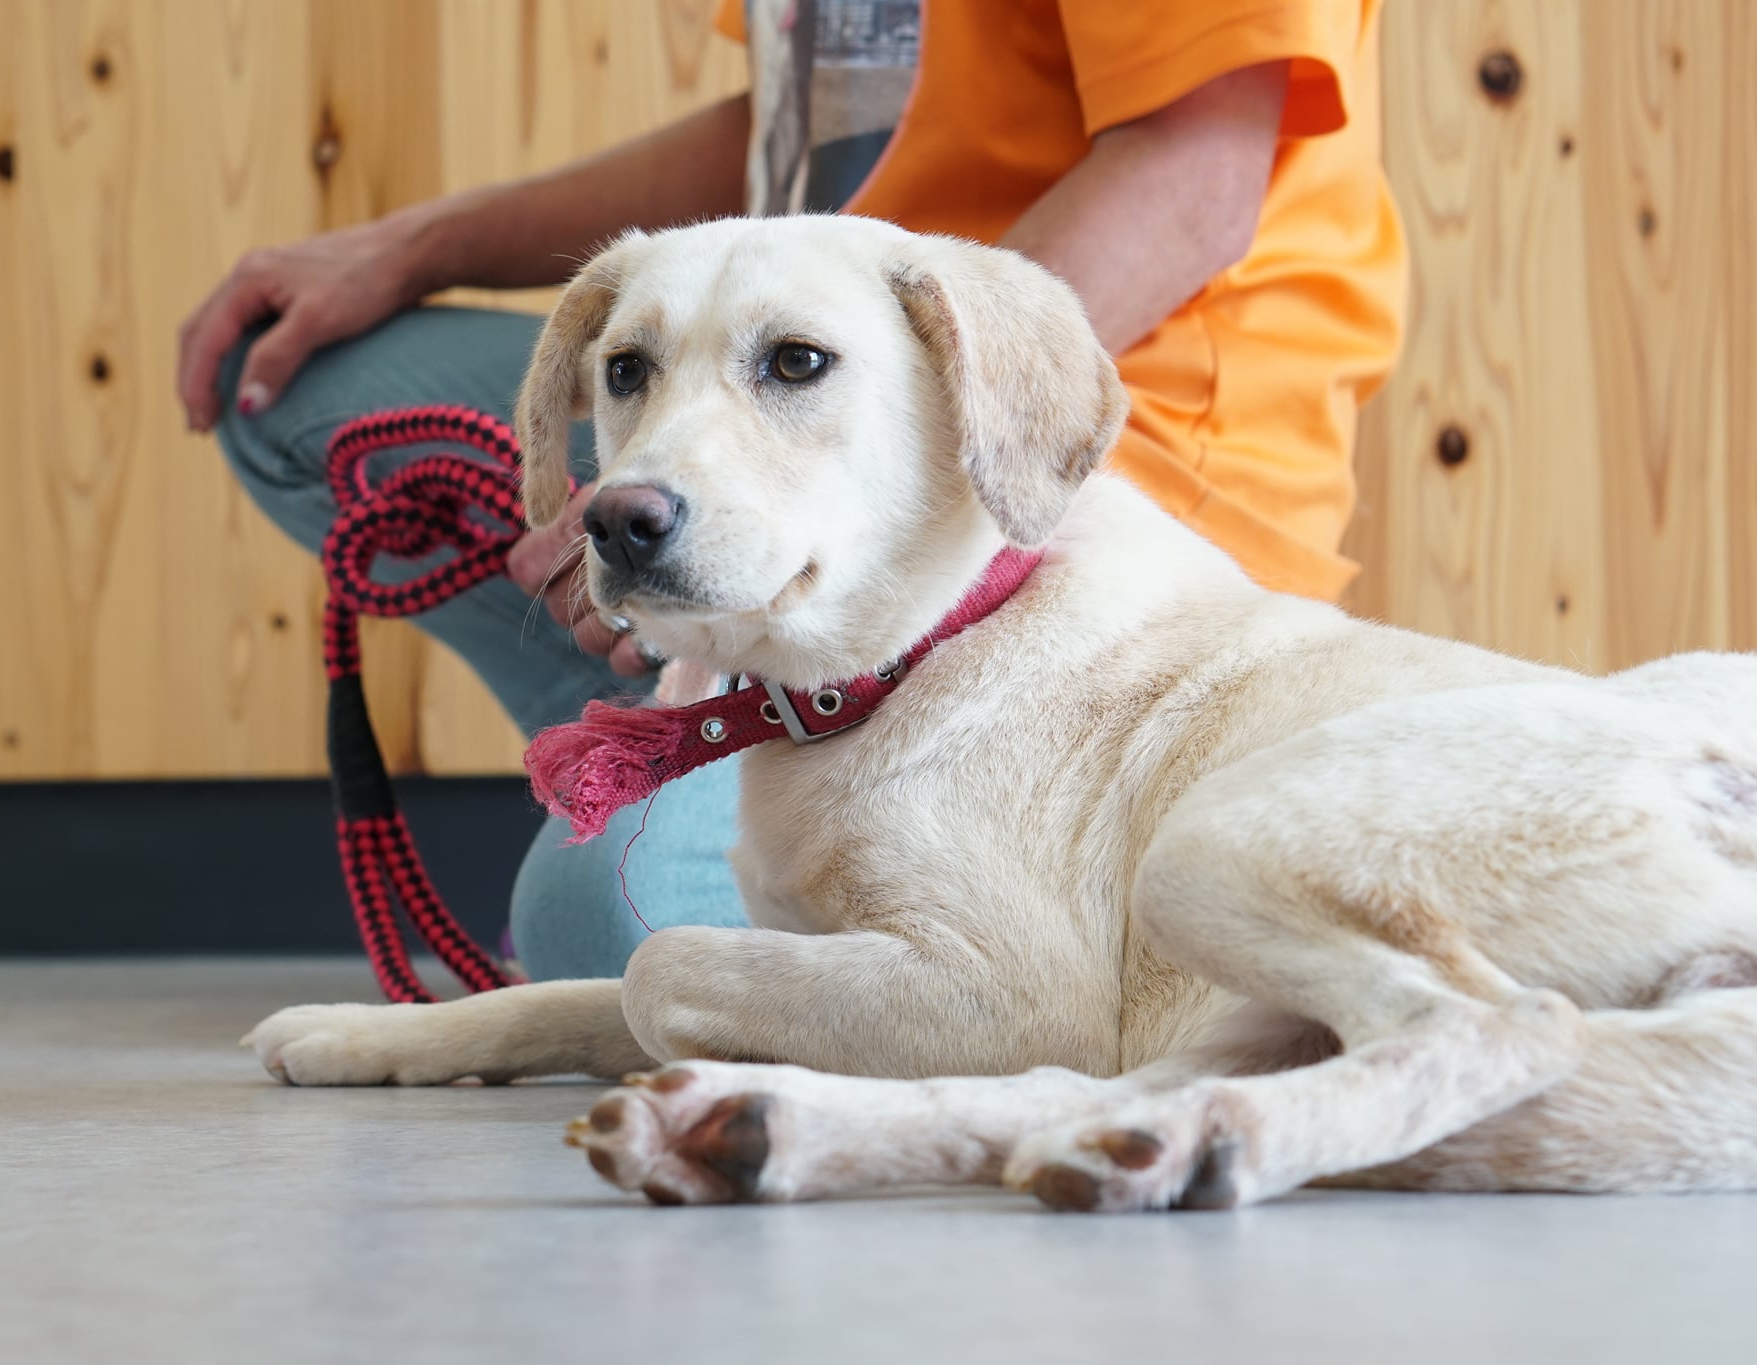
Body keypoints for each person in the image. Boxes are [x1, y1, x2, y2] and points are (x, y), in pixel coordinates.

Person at [176, 0, 1405, 983]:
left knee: (612, 935)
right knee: (291, 381)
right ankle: (685, 702)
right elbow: (779, 140)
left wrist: (952, 465)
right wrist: (412, 245)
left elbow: (1192, 171)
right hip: (772, 388)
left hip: (1056, 472)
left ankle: (753, 766)